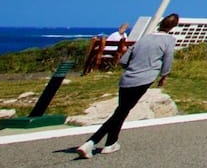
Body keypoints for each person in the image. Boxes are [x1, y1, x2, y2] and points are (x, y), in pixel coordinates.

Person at [76, 14, 178, 159]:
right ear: (173, 26)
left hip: (127, 78)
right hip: (144, 79)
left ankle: (111, 143)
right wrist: (164, 75)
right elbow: (168, 59)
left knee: (121, 110)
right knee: (121, 112)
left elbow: (125, 58)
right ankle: (91, 142)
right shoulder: (169, 40)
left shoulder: (145, 37)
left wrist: (130, 67)